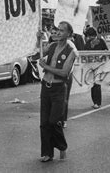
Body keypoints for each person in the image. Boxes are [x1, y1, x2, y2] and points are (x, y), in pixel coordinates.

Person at [38, 21, 78, 162]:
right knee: (44, 123)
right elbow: (40, 52)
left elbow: (64, 73)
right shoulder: (53, 45)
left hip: (58, 89)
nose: (58, 33)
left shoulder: (71, 51)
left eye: (61, 31)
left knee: (54, 121)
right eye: (57, 30)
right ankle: (47, 153)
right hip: (46, 87)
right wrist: (38, 40)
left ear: (69, 34)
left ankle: (62, 146)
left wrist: (45, 67)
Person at [84, 27, 108, 108]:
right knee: (95, 84)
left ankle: (96, 102)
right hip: (95, 66)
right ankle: (96, 102)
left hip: (95, 66)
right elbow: (107, 51)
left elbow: (106, 51)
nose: (89, 38)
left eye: (89, 36)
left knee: (95, 83)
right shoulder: (96, 42)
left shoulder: (93, 42)